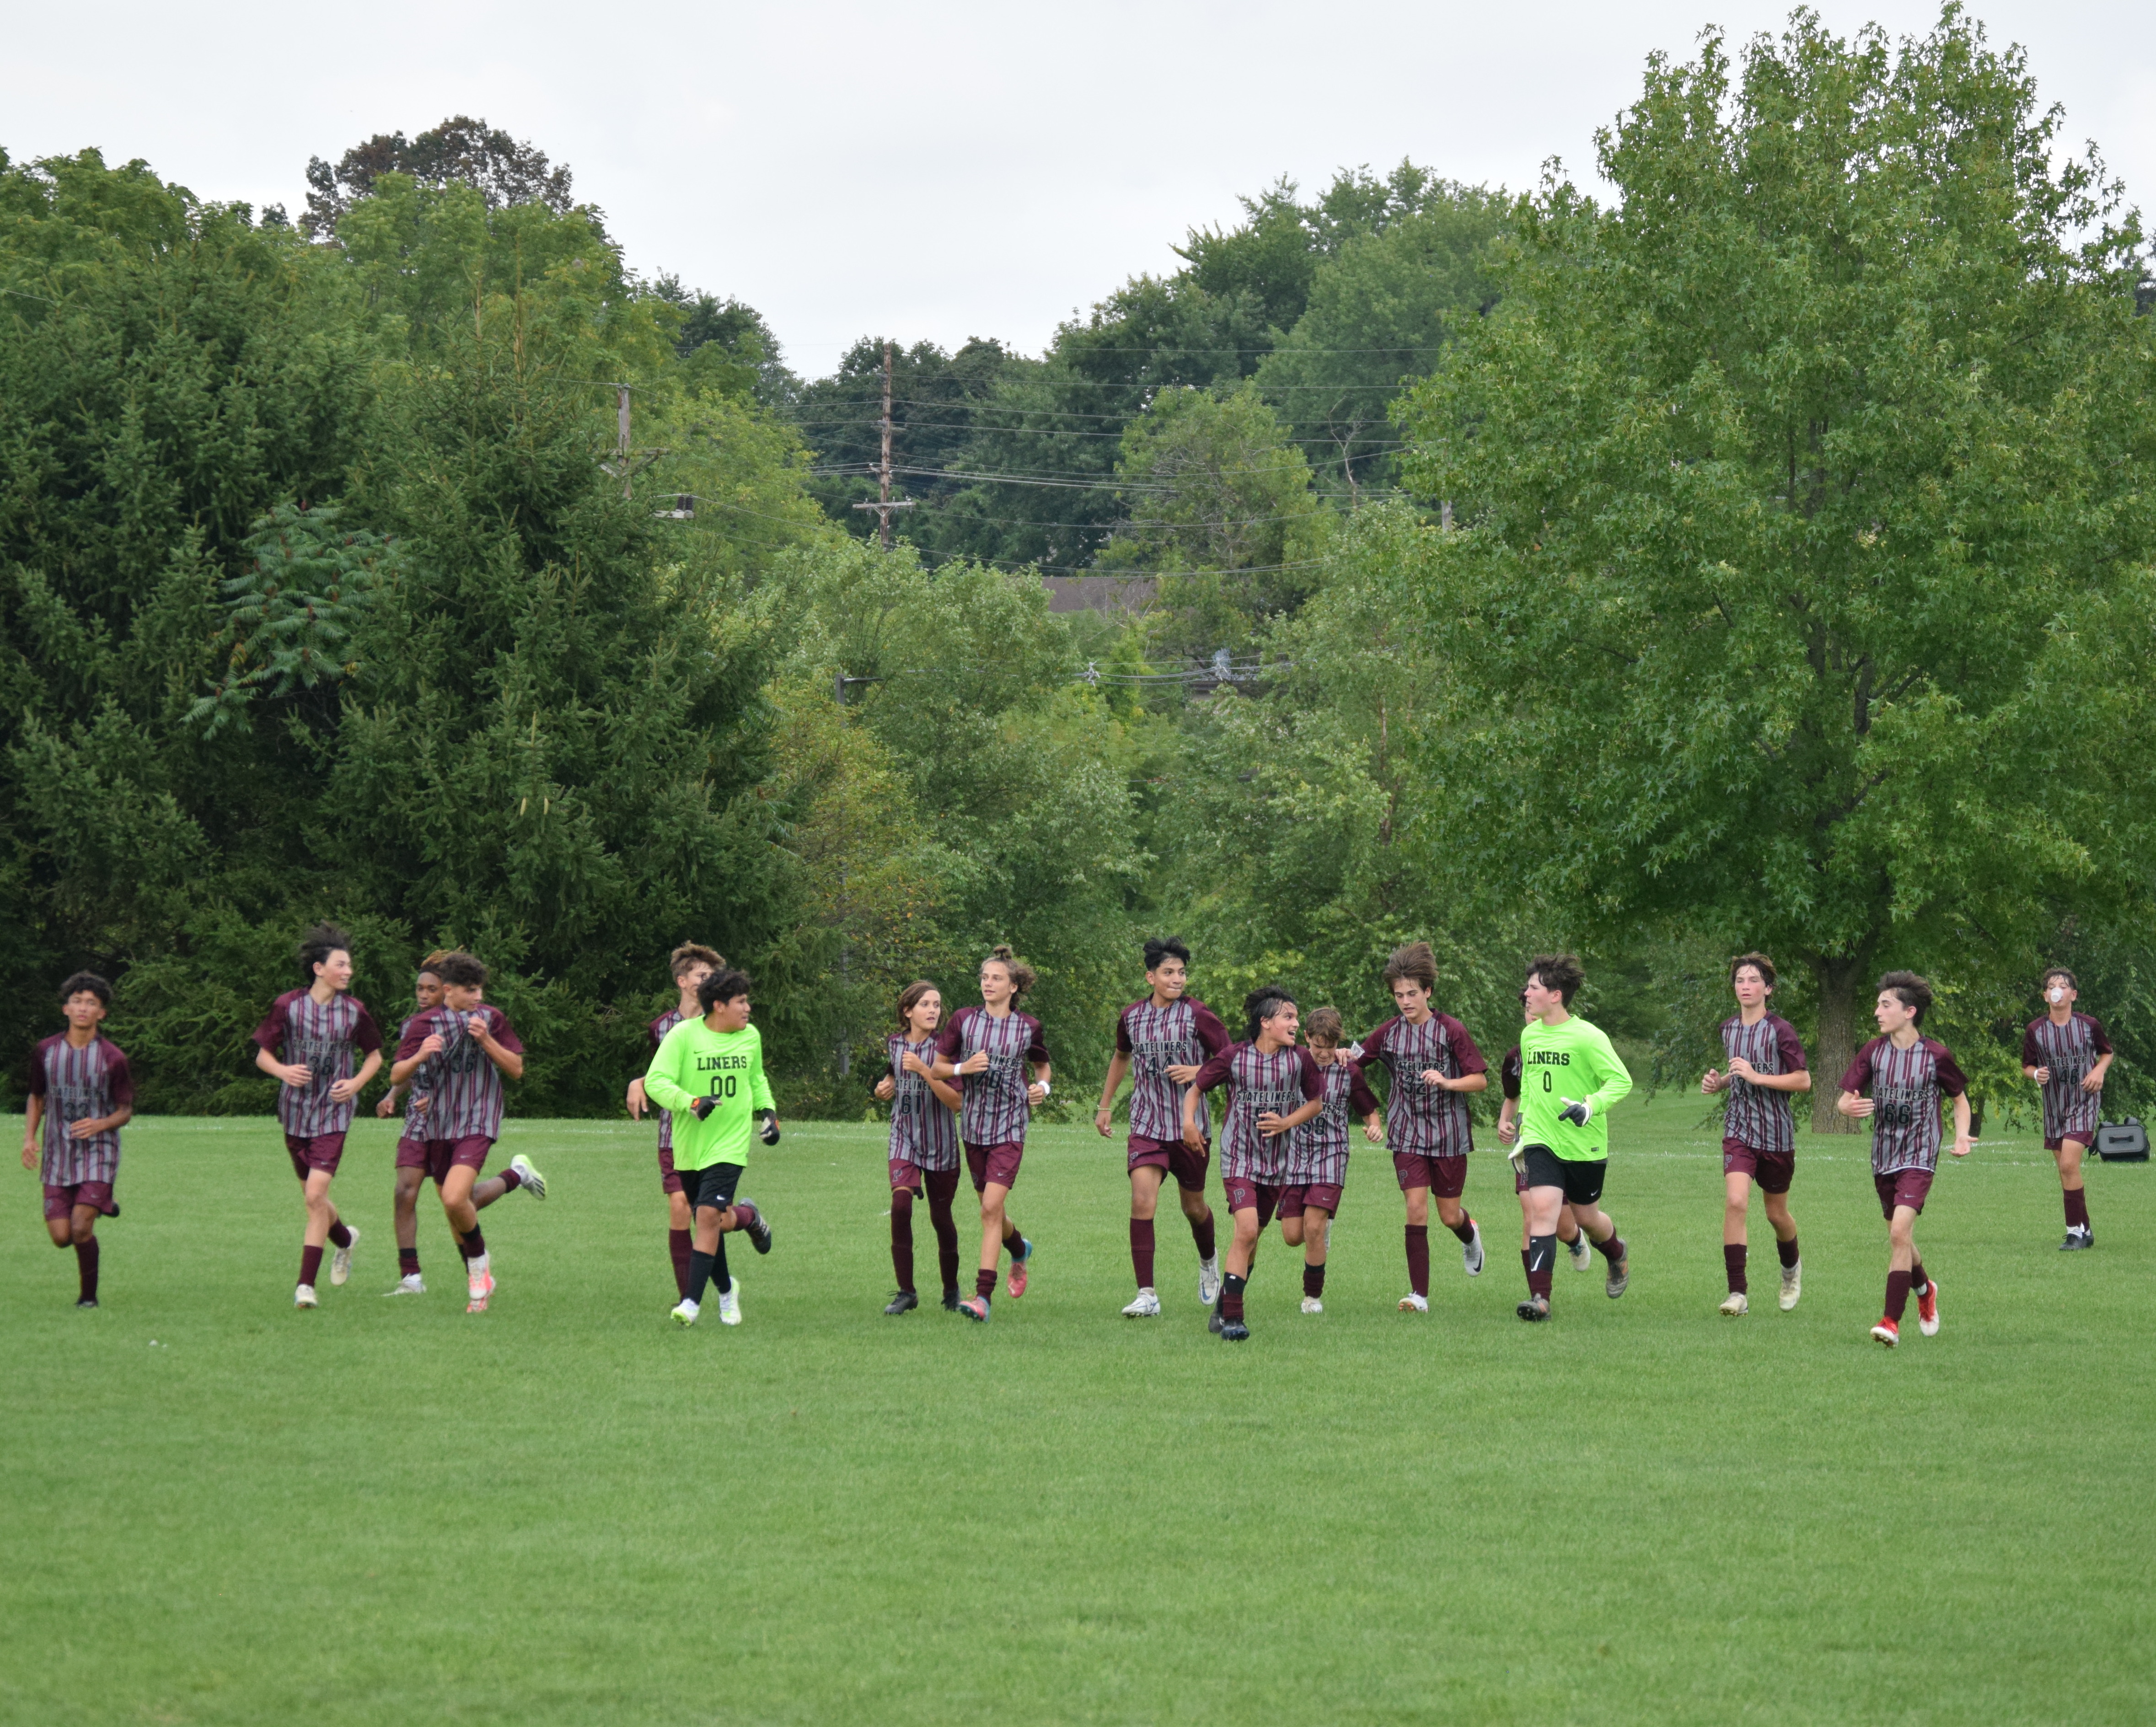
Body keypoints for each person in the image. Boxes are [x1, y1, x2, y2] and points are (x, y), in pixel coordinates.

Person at [375, 956, 542, 1296]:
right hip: (435, 1123)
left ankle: (478, 1269)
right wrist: (418, 1061)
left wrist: (486, 1040)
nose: (478, 996)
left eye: (480, 990)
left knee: (454, 1200)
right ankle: (515, 1177)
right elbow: (397, 1074)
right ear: (451, 991)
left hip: (478, 1118)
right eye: (471, 990)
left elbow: (516, 1069)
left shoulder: (490, 1019)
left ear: (442, 989)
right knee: (453, 1201)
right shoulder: (422, 1025)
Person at [1094, 937, 1228, 1319]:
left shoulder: (1198, 1014)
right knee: (1142, 1201)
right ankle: (1147, 1294)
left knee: (1194, 1208)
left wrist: (1199, 1070)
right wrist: (1105, 1105)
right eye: (1169, 972)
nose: (1177, 979)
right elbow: (1121, 1056)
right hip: (1147, 1125)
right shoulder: (1131, 1017)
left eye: (1182, 973)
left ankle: (1208, 1260)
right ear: (1150, 977)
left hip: (1190, 1129)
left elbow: (1231, 1058)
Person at [1352, 941, 1490, 1312]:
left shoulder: (1451, 1030)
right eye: (1399, 995)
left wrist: (1447, 1082)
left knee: (1449, 1216)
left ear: (1428, 991)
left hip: (1448, 1135)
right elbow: (1354, 1060)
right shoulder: (1389, 1033)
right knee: (1416, 1209)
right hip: (1407, 1132)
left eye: (1412, 993)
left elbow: (1480, 1080)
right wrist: (1338, 1055)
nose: (1405, 1001)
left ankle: (1470, 1235)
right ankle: (1419, 1295)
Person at [252, 923, 385, 1309]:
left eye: (349, 965)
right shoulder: (288, 1006)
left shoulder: (354, 1011)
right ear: (319, 969)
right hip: (295, 1114)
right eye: (341, 965)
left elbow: (375, 1057)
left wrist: (356, 1084)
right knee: (316, 1200)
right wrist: (283, 1071)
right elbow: (262, 1054)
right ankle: (345, 1240)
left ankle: (305, 1287)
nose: (348, 971)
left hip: (334, 1115)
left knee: (314, 1196)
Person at [1184, 987, 1325, 1340]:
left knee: (1251, 1239)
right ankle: (1234, 1320)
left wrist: (1286, 1122)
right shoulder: (1234, 1057)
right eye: (1288, 1017)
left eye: (1296, 1017)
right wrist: (1188, 1123)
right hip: (1239, 1158)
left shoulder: (1301, 1059)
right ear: (1266, 1022)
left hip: (1277, 1164)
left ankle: (1224, 1305)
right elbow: (1196, 1088)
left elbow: (1316, 1103)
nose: (1296, 1023)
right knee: (1245, 1231)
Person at [1839, 971, 1969, 1347]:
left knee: (1899, 1233)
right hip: (1884, 1156)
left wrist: (1961, 1136)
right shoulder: (1873, 1052)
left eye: (1885, 1005)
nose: (1877, 1012)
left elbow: (1960, 1100)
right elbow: (1844, 1100)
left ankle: (1890, 1322)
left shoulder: (1936, 1055)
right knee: (1901, 1237)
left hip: (1920, 1154)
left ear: (1909, 1012)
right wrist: (1849, 1108)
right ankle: (1925, 1289)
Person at [642, 966, 778, 1327]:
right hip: (690, 1148)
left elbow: (757, 1080)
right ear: (719, 1005)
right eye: (741, 1002)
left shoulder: (750, 1037)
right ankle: (728, 1286)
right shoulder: (683, 1036)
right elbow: (656, 1082)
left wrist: (769, 1113)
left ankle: (690, 1303)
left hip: (730, 1145)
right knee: (713, 1219)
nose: (748, 1008)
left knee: (704, 1216)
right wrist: (691, 1102)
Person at [1513, 954, 1634, 1322]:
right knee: (1543, 1211)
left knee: (1587, 1217)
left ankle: (1616, 1253)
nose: (1526, 993)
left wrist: (1589, 1107)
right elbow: (1530, 1085)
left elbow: (1621, 1081)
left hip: (1585, 1145)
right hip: (1541, 1138)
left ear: (1555, 995)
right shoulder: (1530, 1035)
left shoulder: (1589, 1037)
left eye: (1533, 988)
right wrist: (1523, 1124)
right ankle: (1541, 1299)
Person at [935, 946, 1051, 1324]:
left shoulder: (1028, 1027)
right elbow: (937, 1068)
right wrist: (962, 1068)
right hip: (973, 1128)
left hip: (1010, 1127)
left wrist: (1042, 1088)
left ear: (1013, 987)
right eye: (985, 978)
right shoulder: (963, 1020)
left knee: (989, 1210)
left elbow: (1042, 1066)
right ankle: (1019, 1249)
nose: (988, 983)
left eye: (997, 978)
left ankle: (982, 1298)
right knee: (992, 1209)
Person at [1700, 952, 1810, 1315]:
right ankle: (1738, 1294)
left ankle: (1791, 1271)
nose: (1745, 986)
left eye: (1753, 980)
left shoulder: (1781, 1031)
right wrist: (1720, 1083)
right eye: (1740, 980)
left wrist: (1757, 1076)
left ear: (1768, 989)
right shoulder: (1728, 1029)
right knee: (1735, 1202)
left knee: (1777, 1215)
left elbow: (1803, 1081)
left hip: (1777, 1135)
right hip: (1739, 1129)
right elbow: (1738, 1074)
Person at [22, 972, 134, 1309]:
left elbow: (125, 1111)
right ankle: (102, 1205)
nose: (83, 1008)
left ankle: (88, 1298)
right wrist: (29, 1139)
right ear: (66, 1009)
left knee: (81, 1228)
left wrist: (101, 1124)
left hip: (99, 1152)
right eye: (77, 1001)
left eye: (91, 1003)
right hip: (57, 1153)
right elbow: (36, 1097)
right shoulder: (46, 1051)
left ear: (102, 1013)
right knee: (62, 1237)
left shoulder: (113, 1058)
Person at [626, 944, 724, 1298]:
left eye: (712, 976)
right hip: (674, 1134)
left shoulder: (723, 1024)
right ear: (682, 981)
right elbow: (661, 1075)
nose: (708, 981)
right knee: (680, 1206)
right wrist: (640, 1082)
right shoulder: (661, 1028)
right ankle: (688, 1301)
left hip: (714, 1134)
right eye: (701, 975)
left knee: (714, 1216)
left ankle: (748, 1217)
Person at [1278, 1007, 1381, 1314]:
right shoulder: (1291, 1063)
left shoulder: (1349, 1070)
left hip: (1332, 1156)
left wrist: (1375, 1127)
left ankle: (1312, 1298)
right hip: (1294, 1157)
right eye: (1318, 1046)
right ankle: (1322, 1229)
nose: (1324, 1054)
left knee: (1313, 1228)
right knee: (1293, 1236)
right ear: (1306, 1037)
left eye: (1331, 1047)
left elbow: (1369, 1111)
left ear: (1339, 1043)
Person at [873, 981, 965, 1314]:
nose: (933, 1010)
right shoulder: (894, 1043)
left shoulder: (946, 1049)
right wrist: (885, 1086)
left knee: (941, 1219)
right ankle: (906, 1292)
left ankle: (951, 1290)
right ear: (908, 1011)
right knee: (900, 1205)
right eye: (925, 1004)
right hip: (904, 1137)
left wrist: (926, 1071)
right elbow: (892, 1072)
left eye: (937, 1005)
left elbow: (957, 1103)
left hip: (941, 1143)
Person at [1496, 994, 1593, 1279]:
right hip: (1532, 1139)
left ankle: (1575, 1239)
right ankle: (1537, 1295)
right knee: (1532, 1217)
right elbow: (1513, 1096)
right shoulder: (1516, 1055)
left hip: (1567, 1139)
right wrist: (1504, 1121)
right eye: (1528, 1011)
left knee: (1562, 1227)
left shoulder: (1575, 1043)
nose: (1533, 1016)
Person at [2021, 967, 2112, 1250]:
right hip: (2054, 1107)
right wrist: (2036, 1075)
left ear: (2073, 994)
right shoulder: (2035, 1030)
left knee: (2069, 1165)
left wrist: (2098, 1071)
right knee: (2066, 1171)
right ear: (2045, 995)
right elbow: (2027, 1066)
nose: (2056, 990)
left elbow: (2106, 1053)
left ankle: (2074, 1234)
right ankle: (2086, 1229)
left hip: (2084, 1102)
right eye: (2051, 986)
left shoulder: (2089, 1025)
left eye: (2062, 986)